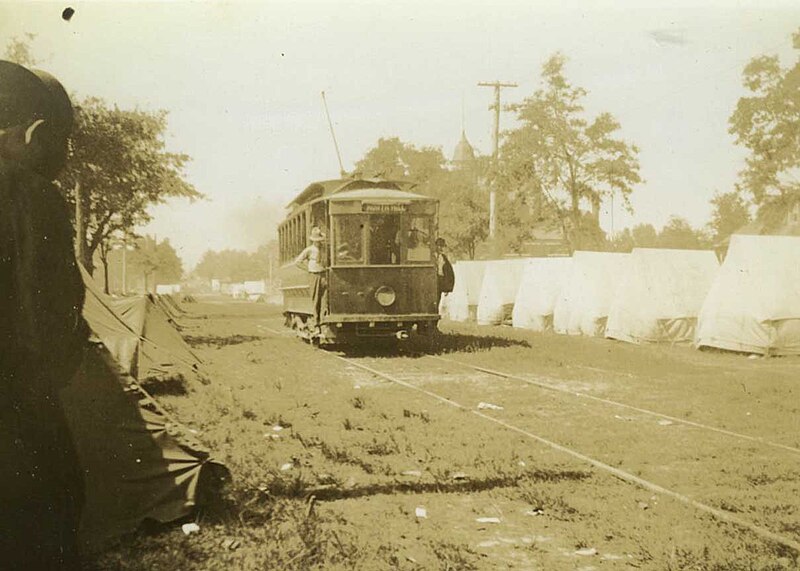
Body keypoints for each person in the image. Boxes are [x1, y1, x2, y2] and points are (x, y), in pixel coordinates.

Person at [0, 61, 87, 569]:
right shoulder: (28, 195)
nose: (65, 157)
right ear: (35, 135)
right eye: (63, 143)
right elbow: (50, 325)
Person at [295, 226, 327, 332]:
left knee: (325, 299)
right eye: (317, 241)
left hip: (324, 275)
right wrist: (308, 269)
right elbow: (298, 261)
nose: (319, 242)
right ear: (313, 241)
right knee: (316, 298)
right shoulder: (309, 250)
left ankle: (323, 321)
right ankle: (316, 322)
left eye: (320, 241)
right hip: (314, 275)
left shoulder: (324, 249)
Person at [435, 237, 455, 306]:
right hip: (432, 280)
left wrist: (447, 288)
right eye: (439, 246)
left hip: (439, 281)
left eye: (442, 246)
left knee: (437, 300)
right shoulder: (431, 256)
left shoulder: (443, 257)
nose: (440, 248)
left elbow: (448, 272)